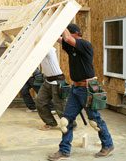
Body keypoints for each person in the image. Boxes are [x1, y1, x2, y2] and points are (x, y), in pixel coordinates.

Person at [48, 24, 114, 160]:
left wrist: (62, 21)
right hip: (75, 88)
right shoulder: (70, 46)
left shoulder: (84, 44)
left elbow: (65, 37)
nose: (65, 37)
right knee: (66, 120)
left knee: (95, 120)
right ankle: (64, 150)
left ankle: (108, 145)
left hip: (87, 89)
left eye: (68, 34)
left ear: (75, 34)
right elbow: (60, 39)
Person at [36, 47, 68, 130]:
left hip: (57, 81)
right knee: (40, 101)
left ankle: (69, 124)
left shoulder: (48, 49)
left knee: (60, 106)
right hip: (47, 81)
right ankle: (50, 123)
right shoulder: (37, 50)